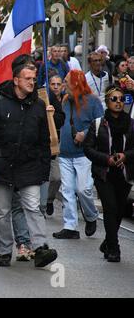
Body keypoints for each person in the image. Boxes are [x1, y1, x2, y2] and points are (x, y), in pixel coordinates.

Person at [0, 59, 58, 268]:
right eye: (28, 78)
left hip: (29, 166)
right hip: (2, 165)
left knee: (32, 206)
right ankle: (4, 250)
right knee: (2, 211)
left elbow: (43, 140)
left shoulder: (38, 104)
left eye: (34, 78)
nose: (32, 82)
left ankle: (40, 247)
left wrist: (43, 168)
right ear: (16, 80)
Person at [84, 85, 134, 262]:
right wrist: (107, 159)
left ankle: (107, 241)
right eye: (114, 99)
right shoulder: (98, 124)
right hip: (103, 174)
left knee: (119, 210)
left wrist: (125, 156)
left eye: (121, 99)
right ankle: (114, 248)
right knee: (110, 208)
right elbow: (88, 149)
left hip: (124, 174)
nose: (118, 102)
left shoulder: (131, 124)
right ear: (107, 102)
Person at [53, 70, 104, 239]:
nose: (63, 85)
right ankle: (70, 226)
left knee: (83, 189)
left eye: (66, 82)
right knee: (67, 190)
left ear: (76, 83)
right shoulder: (65, 100)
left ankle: (91, 216)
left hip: (84, 154)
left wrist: (85, 133)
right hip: (65, 152)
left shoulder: (94, 102)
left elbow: (101, 125)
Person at [42, 75, 66, 216]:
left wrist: (53, 114)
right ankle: (42, 205)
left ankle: (49, 199)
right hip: (41, 142)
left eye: (58, 84)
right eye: (53, 84)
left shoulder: (63, 100)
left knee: (56, 177)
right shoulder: (43, 97)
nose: (56, 87)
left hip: (57, 143)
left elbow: (61, 120)